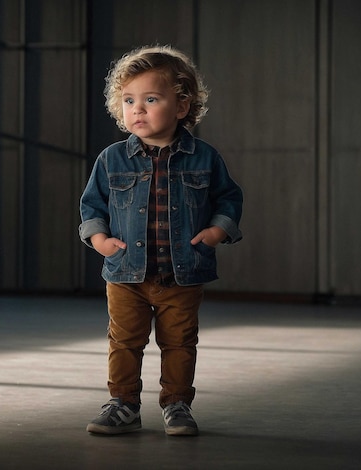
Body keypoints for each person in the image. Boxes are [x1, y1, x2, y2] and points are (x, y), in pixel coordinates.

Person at [79, 45, 243, 436]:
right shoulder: (111, 160)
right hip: (126, 274)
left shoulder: (204, 157)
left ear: (182, 106)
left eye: (151, 99)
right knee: (124, 341)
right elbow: (91, 205)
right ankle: (123, 404)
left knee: (180, 342)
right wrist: (99, 239)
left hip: (182, 273)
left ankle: (177, 404)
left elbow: (229, 198)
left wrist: (218, 230)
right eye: (129, 100)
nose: (137, 109)